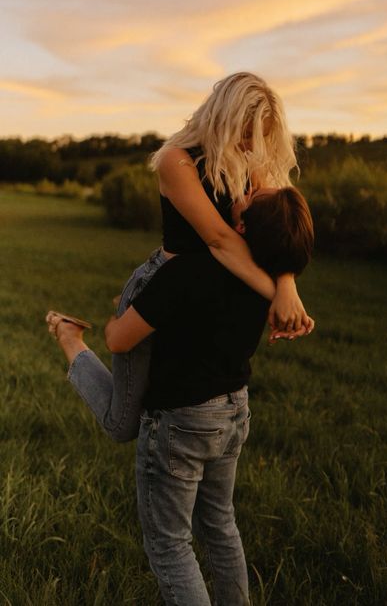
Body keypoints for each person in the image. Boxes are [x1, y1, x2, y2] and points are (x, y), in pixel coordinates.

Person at [46, 186, 314, 606]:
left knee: (170, 546)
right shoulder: (266, 286)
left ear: (241, 225)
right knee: (221, 526)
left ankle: (68, 339)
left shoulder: (189, 271)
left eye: (249, 195)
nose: (243, 189)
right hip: (233, 413)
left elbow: (117, 340)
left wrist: (132, 311)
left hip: (181, 423)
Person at [47, 72, 314, 443]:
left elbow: (280, 233)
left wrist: (287, 283)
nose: (252, 144)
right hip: (164, 285)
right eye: (246, 131)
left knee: (183, 399)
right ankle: (70, 337)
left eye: (260, 135)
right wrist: (277, 292)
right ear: (224, 117)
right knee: (124, 423)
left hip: (209, 290)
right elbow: (220, 239)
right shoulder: (177, 160)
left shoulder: (249, 162)